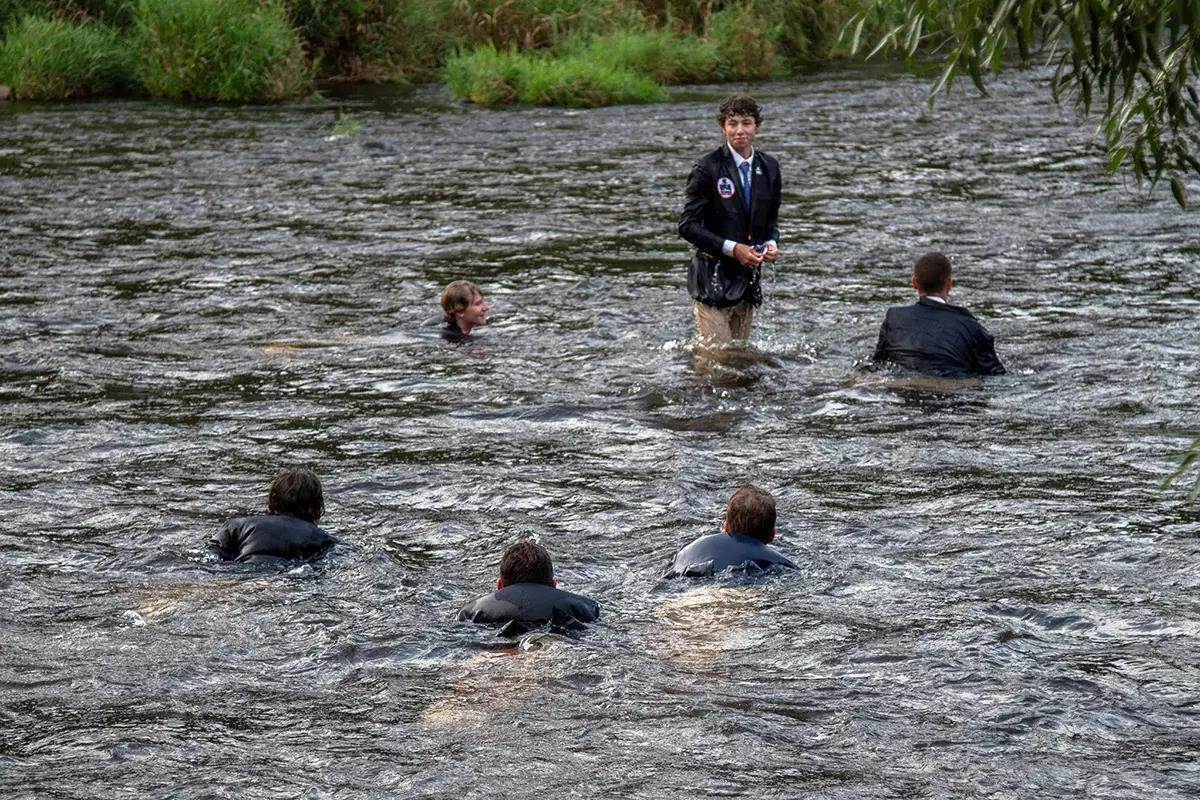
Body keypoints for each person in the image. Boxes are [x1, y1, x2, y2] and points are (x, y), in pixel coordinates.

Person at [678, 94, 783, 344]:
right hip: (709, 280)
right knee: (717, 359)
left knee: (739, 358)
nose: (739, 130)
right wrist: (733, 249)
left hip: (746, 281)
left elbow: (770, 222)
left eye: (746, 123)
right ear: (723, 127)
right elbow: (687, 226)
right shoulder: (707, 168)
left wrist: (771, 243)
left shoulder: (769, 167)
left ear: (756, 127)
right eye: (732, 123)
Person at [872, 252, 1006, 377]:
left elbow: (878, 364)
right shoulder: (971, 327)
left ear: (914, 283)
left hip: (904, 394)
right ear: (949, 283)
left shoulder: (894, 318)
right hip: (952, 396)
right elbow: (997, 376)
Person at [458, 540, 600, 635]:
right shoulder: (585, 608)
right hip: (556, 640)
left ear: (499, 585)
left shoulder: (471, 611)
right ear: (553, 586)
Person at [664, 485, 796, 578]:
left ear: (725, 528)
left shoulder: (687, 553)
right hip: (737, 589)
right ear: (772, 535)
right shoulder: (778, 564)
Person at [209, 468, 337, 563]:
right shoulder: (324, 540)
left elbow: (210, 555)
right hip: (284, 579)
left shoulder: (237, 525)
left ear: (270, 503)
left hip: (238, 573)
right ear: (318, 509)